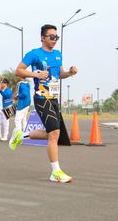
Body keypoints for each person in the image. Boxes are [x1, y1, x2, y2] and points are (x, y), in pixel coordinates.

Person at [9, 24, 77, 183]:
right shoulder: (34, 54)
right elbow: (19, 70)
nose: (55, 39)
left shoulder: (58, 54)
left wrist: (70, 73)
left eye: (56, 37)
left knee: (52, 133)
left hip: (54, 98)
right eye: (52, 37)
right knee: (54, 133)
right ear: (43, 38)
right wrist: (35, 74)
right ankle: (56, 172)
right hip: (41, 97)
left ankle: (21, 135)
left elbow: (60, 74)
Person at [10, 75, 32, 141]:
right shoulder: (27, 84)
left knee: (17, 120)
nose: (17, 77)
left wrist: (17, 96)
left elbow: (24, 94)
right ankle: (25, 136)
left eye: (18, 76)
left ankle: (18, 136)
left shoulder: (21, 84)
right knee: (24, 120)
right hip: (27, 103)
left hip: (22, 105)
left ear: (20, 77)